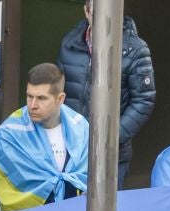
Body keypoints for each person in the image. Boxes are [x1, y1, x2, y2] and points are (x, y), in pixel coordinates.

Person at [57, 1, 156, 183]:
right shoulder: (69, 43)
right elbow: (59, 94)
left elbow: (144, 101)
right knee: (70, 208)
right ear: (86, 12)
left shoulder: (136, 49)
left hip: (112, 154)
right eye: (97, 13)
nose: (103, 18)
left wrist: (110, 137)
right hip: (70, 149)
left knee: (109, 210)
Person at [0, 63, 90, 208]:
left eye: (41, 98)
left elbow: (94, 177)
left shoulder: (81, 127)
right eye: (29, 96)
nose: (32, 105)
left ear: (60, 99)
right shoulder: (8, 134)